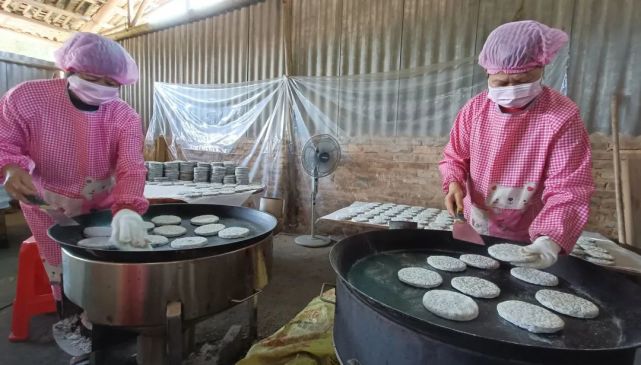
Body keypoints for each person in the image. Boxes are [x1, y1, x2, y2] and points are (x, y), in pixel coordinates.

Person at [0, 33, 149, 306]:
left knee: (105, 267)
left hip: (101, 205)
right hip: (46, 204)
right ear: (69, 70)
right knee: (64, 266)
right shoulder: (28, 98)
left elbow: (131, 165)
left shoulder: (123, 116)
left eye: (111, 83)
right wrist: (9, 167)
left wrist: (127, 206)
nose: (101, 88)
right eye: (92, 79)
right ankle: (68, 309)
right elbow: (4, 139)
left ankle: (108, 317)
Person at [439, 20, 594, 269]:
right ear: (488, 74)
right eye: (501, 83)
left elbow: (570, 188)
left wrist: (549, 239)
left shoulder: (562, 117)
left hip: (530, 234)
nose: (511, 90)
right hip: (477, 224)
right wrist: (454, 181)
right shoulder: (474, 111)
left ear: (540, 69)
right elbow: (454, 156)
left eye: (521, 81)